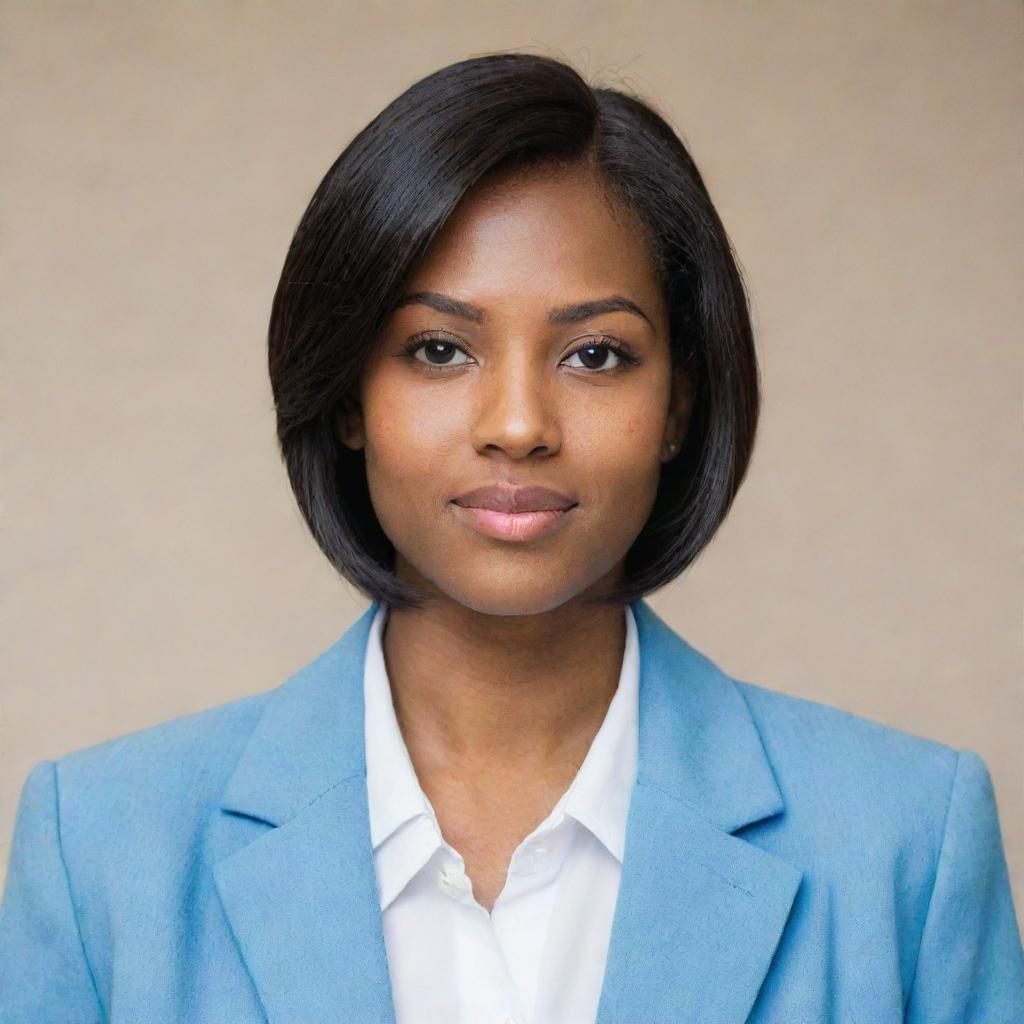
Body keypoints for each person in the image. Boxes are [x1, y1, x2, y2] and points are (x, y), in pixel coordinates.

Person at [1, 51, 1021, 1024]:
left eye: (595, 354)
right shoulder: (103, 850)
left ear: (679, 406)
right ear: (349, 395)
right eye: (438, 348)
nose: (519, 423)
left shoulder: (903, 847)